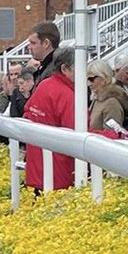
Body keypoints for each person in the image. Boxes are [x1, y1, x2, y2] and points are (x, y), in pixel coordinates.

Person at [23, 44, 78, 191]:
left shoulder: (44, 86)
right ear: (65, 69)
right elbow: (77, 134)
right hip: (59, 174)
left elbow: (28, 114)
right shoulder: (67, 95)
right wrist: (113, 136)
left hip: (38, 170)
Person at [87, 58, 128, 130]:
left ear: (104, 78)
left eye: (91, 79)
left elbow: (111, 134)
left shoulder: (111, 103)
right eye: (87, 79)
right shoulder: (97, 99)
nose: (88, 84)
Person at [26, 22, 60, 86]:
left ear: (46, 43)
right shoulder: (49, 66)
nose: (29, 47)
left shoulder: (56, 68)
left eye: (33, 43)